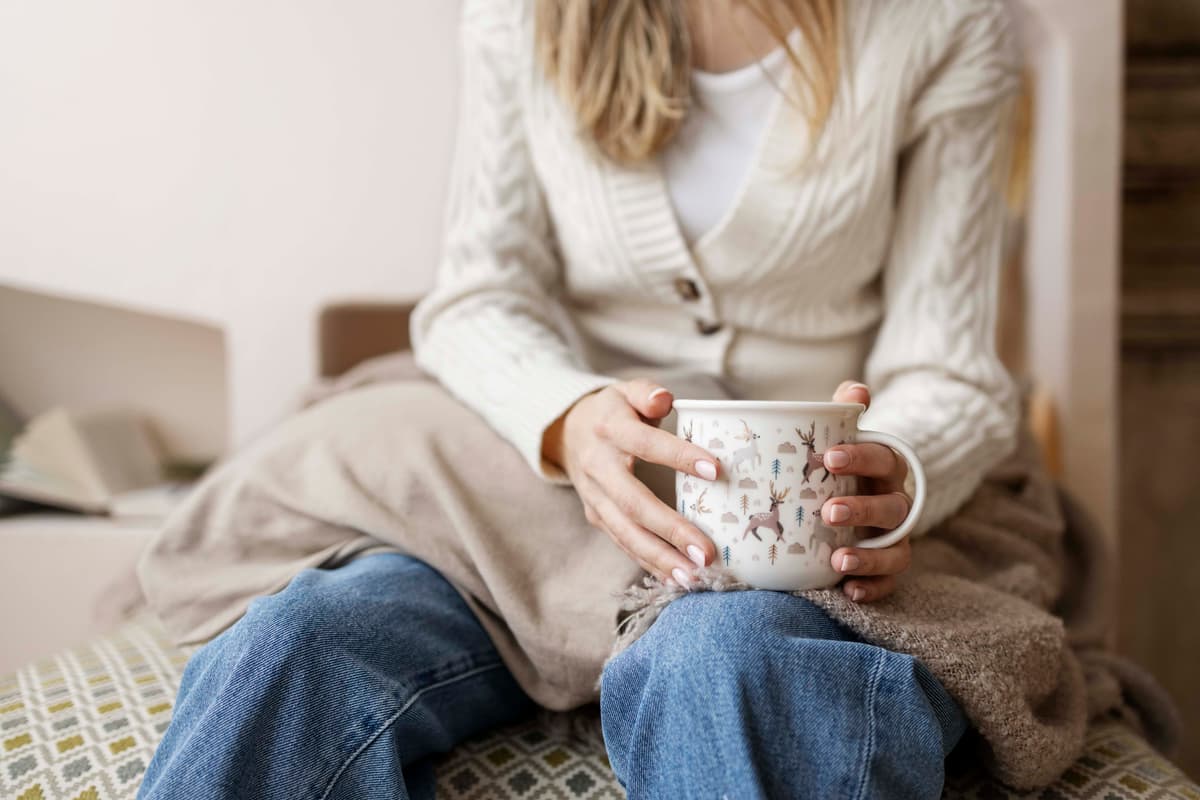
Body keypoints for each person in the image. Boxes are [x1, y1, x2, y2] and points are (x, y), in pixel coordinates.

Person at [136, 0, 1026, 797]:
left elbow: (948, 364)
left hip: (795, 531)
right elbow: (479, 297)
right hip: (544, 500)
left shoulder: (944, 22)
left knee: (721, 661)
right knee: (295, 645)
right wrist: (567, 420)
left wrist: (890, 484)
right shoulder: (521, 16)